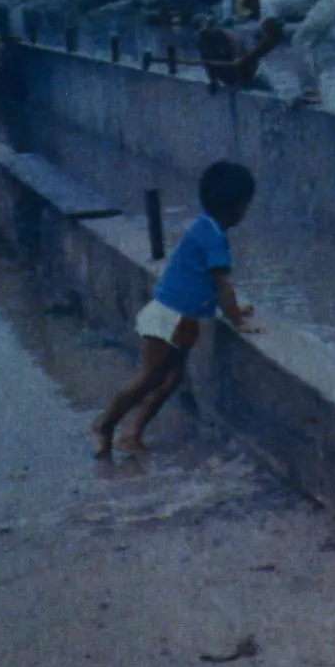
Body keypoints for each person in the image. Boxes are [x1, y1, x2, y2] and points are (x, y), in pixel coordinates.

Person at [91, 161, 260, 458]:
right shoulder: (214, 238)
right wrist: (237, 320)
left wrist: (236, 308)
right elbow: (222, 284)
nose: (244, 214)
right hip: (169, 316)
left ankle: (131, 434)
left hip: (182, 318)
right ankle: (105, 424)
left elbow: (202, 281)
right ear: (233, 208)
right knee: (151, 376)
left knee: (170, 378)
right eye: (244, 207)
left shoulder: (202, 225)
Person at [234, 0, 335, 104]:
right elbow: (275, 34)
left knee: (299, 41)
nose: (254, 12)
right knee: (310, 46)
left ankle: (310, 92)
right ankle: (317, 92)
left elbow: (273, 38)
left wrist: (248, 59)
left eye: (250, 7)